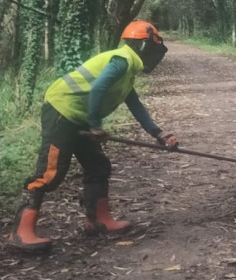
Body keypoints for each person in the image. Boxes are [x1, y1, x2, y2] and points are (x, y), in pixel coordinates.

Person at [7, 20, 179, 253]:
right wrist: (96, 125)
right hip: (62, 111)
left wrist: (158, 134)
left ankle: (98, 221)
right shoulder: (122, 60)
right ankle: (20, 232)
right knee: (50, 173)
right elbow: (98, 88)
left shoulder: (127, 70)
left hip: (81, 117)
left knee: (98, 166)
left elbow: (136, 106)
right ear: (143, 46)